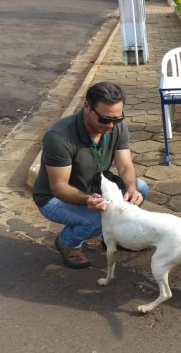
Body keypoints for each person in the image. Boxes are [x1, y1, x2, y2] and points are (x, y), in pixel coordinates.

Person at [32, 81, 149, 268]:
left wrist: (132, 188)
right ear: (87, 107)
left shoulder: (116, 126)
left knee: (141, 187)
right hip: (53, 198)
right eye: (104, 119)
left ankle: (111, 235)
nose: (111, 125)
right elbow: (59, 187)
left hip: (93, 186)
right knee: (96, 220)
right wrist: (88, 200)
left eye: (117, 119)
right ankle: (67, 243)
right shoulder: (59, 137)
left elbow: (126, 166)